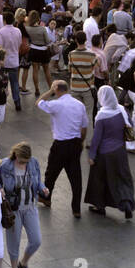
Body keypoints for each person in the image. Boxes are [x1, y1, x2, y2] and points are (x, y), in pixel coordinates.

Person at [36, 79, 88, 219]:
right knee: (76, 178)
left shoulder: (56, 104)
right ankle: (76, 209)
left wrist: (50, 91)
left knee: (51, 174)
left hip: (60, 145)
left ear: (57, 90)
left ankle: (46, 198)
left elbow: (39, 102)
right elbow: (84, 127)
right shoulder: (79, 105)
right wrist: (81, 142)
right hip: (75, 143)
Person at [0, 142, 47, 268]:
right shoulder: (5, 165)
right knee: (13, 242)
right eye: (21, 161)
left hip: (30, 206)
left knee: (36, 240)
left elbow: (38, 181)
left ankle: (24, 263)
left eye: (26, 162)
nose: (23, 164)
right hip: (13, 209)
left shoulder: (33, 162)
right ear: (16, 155)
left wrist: (43, 188)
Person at [85, 85, 135, 220]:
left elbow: (96, 138)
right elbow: (130, 125)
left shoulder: (102, 116)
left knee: (99, 180)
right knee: (122, 179)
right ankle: (127, 204)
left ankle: (99, 206)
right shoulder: (122, 110)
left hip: (104, 154)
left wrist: (92, 155)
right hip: (120, 152)